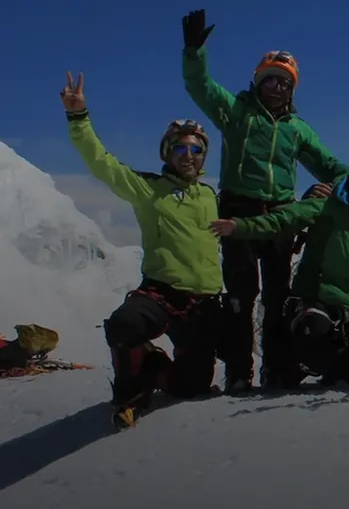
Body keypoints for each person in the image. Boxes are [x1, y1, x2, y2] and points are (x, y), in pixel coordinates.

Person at [179, 9, 349, 392]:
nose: (277, 87)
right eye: (271, 79)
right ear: (258, 80)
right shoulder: (237, 112)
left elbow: (328, 164)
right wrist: (194, 52)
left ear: (292, 89)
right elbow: (200, 87)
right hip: (237, 209)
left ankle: (277, 370)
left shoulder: (296, 129)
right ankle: (240, 374)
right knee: (241, 298)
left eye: (284, 83)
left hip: (280, 215)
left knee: (277, 298)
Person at [59, 72, 226, 428]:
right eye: (180, 147)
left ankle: (151, 365)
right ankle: (129, 395)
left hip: (203, 302)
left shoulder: (212, 197)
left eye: (196, 149)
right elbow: (102, 163)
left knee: (190, 388)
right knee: (124, 324)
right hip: (162, 290)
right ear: (167, 151)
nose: (188, 155)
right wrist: (78, 117)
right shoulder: (148, 189)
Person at [209, 153, 349, 387]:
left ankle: (334, 365)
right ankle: (293, 364)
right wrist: (239, 226)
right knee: (314, 336)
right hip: (318, 299)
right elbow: (283, 220)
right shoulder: (325, 206)